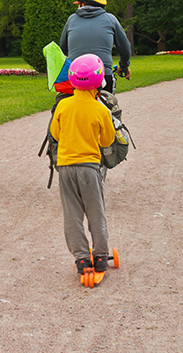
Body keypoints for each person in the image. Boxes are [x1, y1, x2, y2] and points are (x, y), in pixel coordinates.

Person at [49, 53, 115, 276]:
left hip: (66, 167)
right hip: (89, 167)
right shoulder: (100, 110)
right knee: (96, 211)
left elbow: (55, 134)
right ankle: (100, 255)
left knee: (72, 213)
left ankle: (81, 258)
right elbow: (107, 141)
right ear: (99, 81)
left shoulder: (63, 106)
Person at [60, 0, 131, 93]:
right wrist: (124, 67)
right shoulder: (110, 19)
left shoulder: (71, 19)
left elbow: (62, 49)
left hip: (76, 77)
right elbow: (125, 49)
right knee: (107, 106)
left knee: (70, 105)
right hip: (102, 75)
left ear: (82, 4)